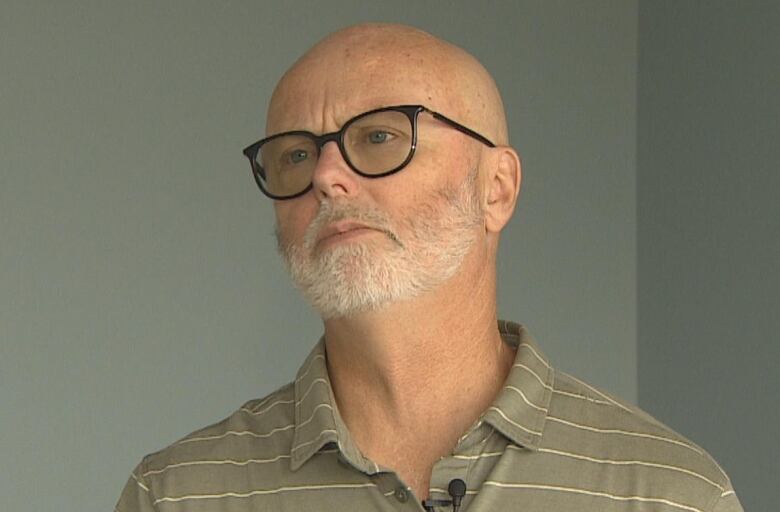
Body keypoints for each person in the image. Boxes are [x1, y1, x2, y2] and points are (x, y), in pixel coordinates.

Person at [116, 23, 743, 512]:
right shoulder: (178, 496)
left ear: (496, 188)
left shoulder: (666, 494)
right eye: (297, 154)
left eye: (380, 137)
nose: (327, 177)